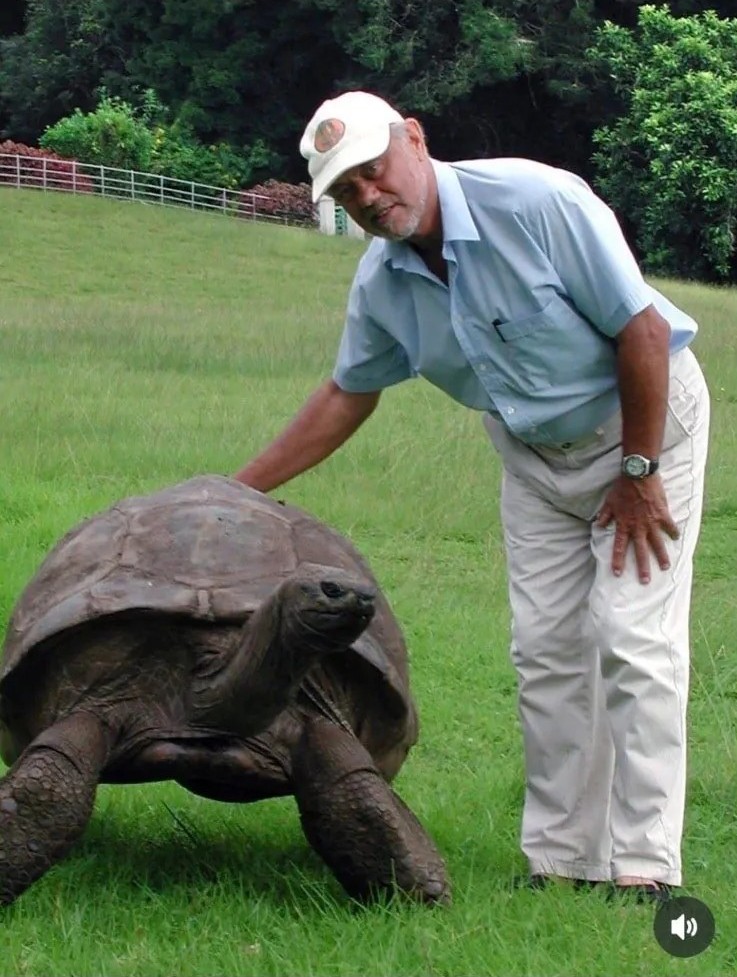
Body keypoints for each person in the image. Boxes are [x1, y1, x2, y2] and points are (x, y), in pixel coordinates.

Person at [234, 90, 710, 901]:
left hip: (641, 433)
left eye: (372, 171)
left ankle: (643, 866)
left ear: (413, 139)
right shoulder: (382, 284)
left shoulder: (536, 201)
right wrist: (231, 490)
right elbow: (348, 393)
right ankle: (562, 858)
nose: (367, 197)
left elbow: (642, 331)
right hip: (531, 459)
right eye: (345, 191)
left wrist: (636, 473)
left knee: (631, 638)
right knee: (545, 652)